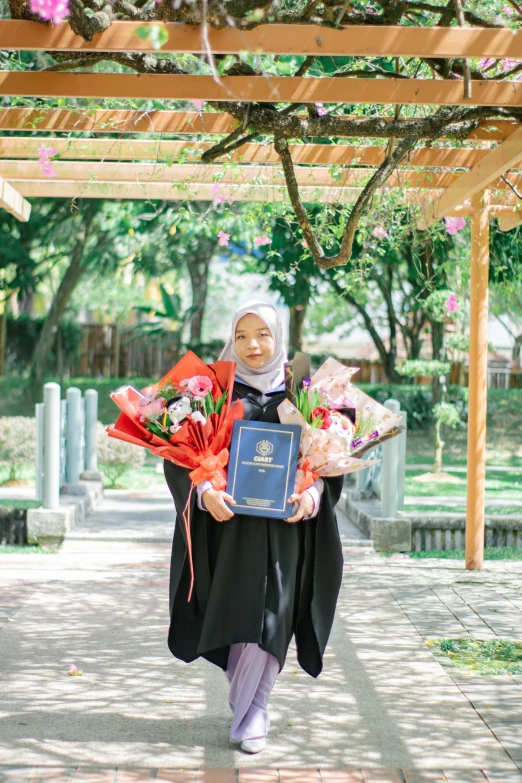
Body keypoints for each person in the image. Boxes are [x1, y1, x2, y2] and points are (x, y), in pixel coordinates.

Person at [163, 301, 344, 754]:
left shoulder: (303, 395)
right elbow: (181, 456)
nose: (253, 345)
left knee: (274, 612)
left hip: (285, 529)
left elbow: (327, 461)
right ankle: (246, 699)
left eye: (262, 334)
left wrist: (312, 495)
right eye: (242, 335)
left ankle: (253, 711)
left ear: (278, 336)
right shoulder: (213, 394)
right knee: (237, 611)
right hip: (229, 529)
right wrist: (204, 493)